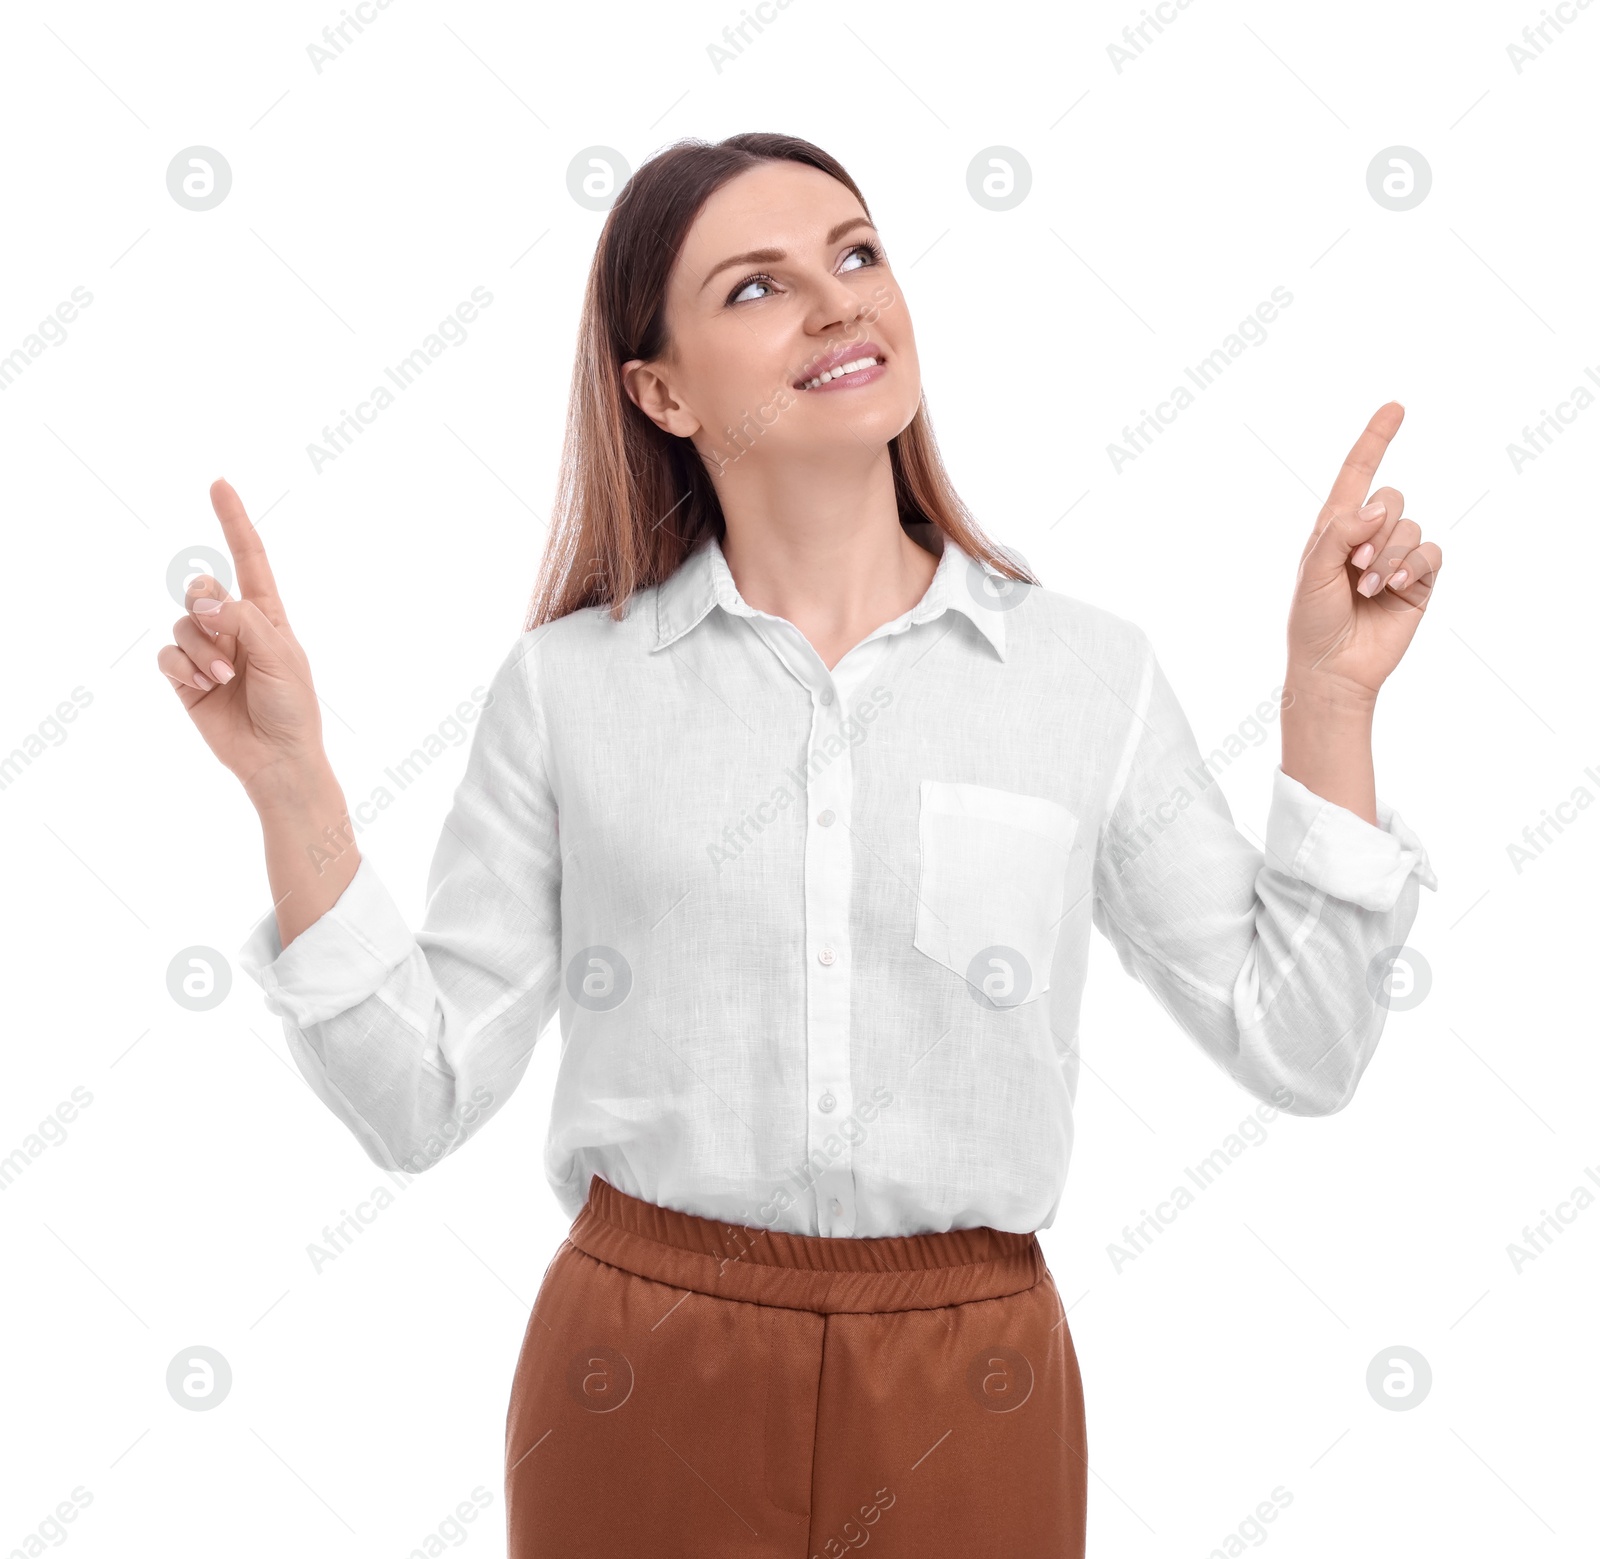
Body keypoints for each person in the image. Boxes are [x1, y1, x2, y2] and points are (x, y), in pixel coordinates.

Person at [157, 132, 1441, 1558]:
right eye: (756, 289)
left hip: (973, 1386)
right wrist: (289, 783)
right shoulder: (569, 690)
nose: (837, 303)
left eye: (855, 253)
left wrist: (1329, 702)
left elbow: (1303, 1050)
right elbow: (420, 1099)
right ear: (659, 389)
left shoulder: (1087, 678)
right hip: (637, 1373)